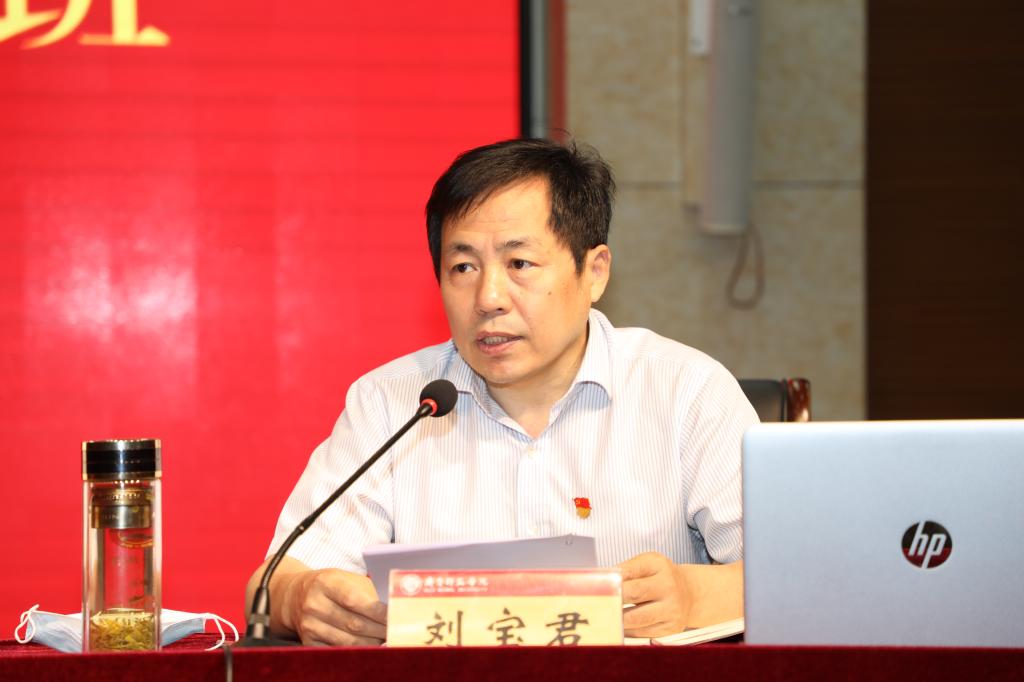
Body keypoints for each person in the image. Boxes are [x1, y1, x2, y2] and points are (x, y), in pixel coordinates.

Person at [245, 138, 758, 646]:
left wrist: (693, 595)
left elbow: (793, 576)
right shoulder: (392, 404)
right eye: (463, 268)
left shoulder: (686, 392)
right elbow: (271, 586)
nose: (488, 298)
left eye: (519, 264)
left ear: (594, 272)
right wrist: (301, 598)